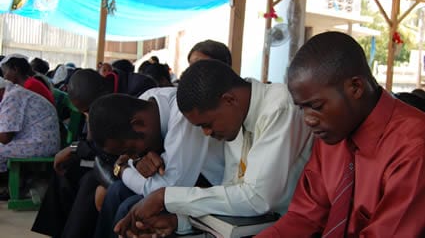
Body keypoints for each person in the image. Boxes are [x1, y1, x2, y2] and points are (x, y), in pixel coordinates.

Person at [114, 59, 314, 237]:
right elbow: (230, 192)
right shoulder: (238, 118)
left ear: (229, 100)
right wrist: (180, 223)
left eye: (206, 124)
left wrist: (165, 197)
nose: (206, 133)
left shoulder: (279, 108)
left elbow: (258, 198)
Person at [257, 31, 425, 237]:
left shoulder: (414, 146)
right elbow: (304, 217)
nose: (308, 119)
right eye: (302, 108)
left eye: (316, 106)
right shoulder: (333, 131)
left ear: (355, 87)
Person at [32, 68, 156, 238]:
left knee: (90, 183)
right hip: (109, 156)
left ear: (103, 92)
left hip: (135, 160)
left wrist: (77, 148)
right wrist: (76, 147)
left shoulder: (137, 90)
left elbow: (123, 143)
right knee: (65, 168)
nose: (88, 116)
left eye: (89, 111)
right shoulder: (94, 97)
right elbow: (92, 141)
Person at [91, 90, 224, 238]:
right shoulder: (146, 104)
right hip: (187, 182)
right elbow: (130, 159)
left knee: (131, 210)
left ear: (139, 124)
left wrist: (123, 170)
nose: (131, 156)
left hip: (214, 188)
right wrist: (135, 161)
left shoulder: (183, 115)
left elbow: (168, 189)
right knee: (116, 191)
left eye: (131, 150)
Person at [0, 77, 60, 195]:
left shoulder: (12, 97)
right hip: (39, 140)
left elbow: (5, 137)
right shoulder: (11, 93)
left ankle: (5, 186)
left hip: (41, 144)